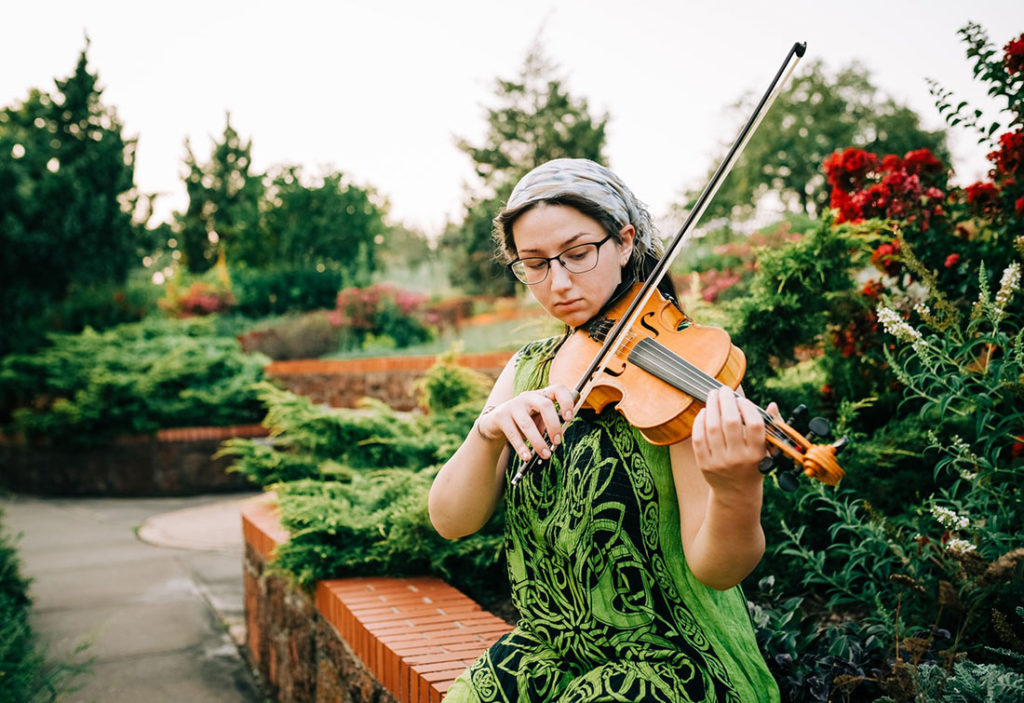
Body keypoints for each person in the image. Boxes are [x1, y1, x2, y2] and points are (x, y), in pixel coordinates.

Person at [428, 158, 781, 703]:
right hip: (545, 651)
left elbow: (717, 569)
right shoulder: (528, 369)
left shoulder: (680, 372)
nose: (560, 283)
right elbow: (451, 520)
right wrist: (487, 434)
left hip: (673, 660)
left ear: (623, 242)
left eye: (577, 254)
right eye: (535, 264)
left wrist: (737, 490)